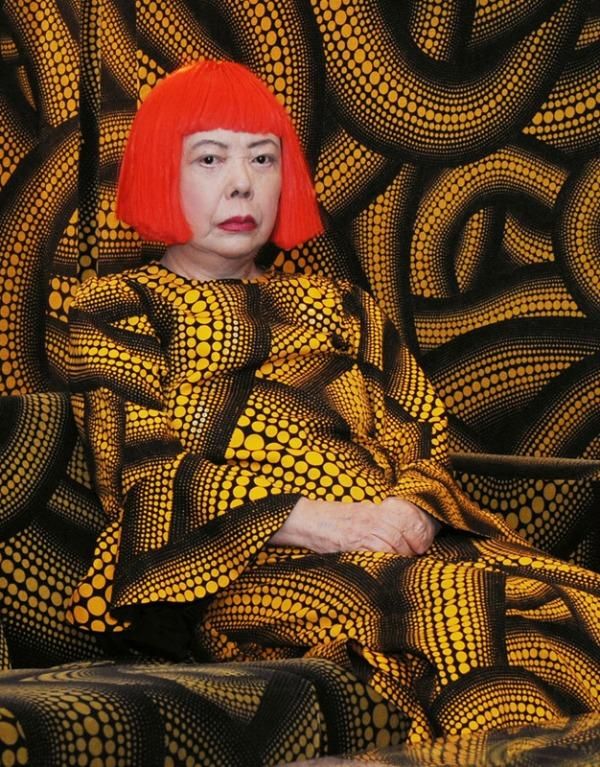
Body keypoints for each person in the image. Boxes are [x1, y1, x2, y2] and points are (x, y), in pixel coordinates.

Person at [67, 59, 600, 744]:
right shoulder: (118, 306)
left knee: (571, 598)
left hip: (398, 547)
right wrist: (323, 523)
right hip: (243, 571)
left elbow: (421, 433)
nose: (242, 182)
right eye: (210, 158)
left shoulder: (341, 304)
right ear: (159, 173)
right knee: (458, 608)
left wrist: (409, 510)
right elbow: (142, 476)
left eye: (263, 158)